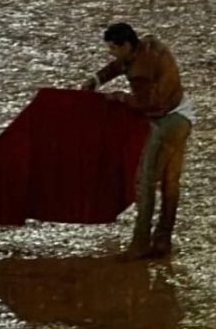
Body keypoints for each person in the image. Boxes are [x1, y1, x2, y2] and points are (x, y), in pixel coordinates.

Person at [80, 22, 194, 258]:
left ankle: (140, 242)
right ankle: (163, 239)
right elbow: (119, 65)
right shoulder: (148, 46)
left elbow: (148, 103)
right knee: (170, 184)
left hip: (166, 123)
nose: (110, 52)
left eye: (113, 47)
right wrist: (97, 79)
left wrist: (121, 98)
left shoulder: (140, 72)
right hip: (183, 115)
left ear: (126, 45)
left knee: (146, 183)